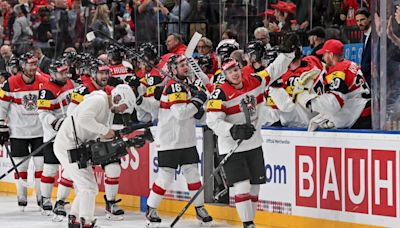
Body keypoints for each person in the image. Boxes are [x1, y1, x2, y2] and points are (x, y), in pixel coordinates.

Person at [143, 54, 212, 227]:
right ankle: (151, 208)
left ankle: (199, 208)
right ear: (173, 69)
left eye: (186, 64)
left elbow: (195, 114)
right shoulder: (174, 87)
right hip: (170, 140)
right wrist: (198, 100)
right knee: (165, 176)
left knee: (193, 174)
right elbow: (181, 114)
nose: (185, 67)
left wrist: (199, 104)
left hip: (187, 140)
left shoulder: (185, 86)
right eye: (181, 65)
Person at [54, 84, 136, 227]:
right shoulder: (99, 100)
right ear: (118, 98)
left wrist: (118, 139)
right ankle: (87, 221)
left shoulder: (108, 111)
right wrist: (104, 130)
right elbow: (83, 120)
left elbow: (100, 133)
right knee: (89, 187)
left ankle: (75, 218)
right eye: (124, 106)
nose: (123, 111)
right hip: (67, 145)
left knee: (86, 186)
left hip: (77, 146)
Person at [206, 58, 267, 228]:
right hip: (231, 147)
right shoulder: (219, 92)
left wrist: (287, 55)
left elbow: (273, 72)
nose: (234, 73)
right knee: (242, 186)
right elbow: (213, 121)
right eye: (230, 71)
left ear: (240, 69)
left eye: (236, 69)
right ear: (225, 75)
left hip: (253, 144)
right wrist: (232, 130)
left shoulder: (252, 82)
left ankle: (250, 222)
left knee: (255, 187)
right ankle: (247, 223)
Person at [67, 60, 127, 220]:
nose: (105, 76)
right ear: (93, 74)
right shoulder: (82, 90)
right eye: (101, 72)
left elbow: (107, 109)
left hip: (105, 138)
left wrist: (116, 109)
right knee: (83, 179)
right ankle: (70, 208)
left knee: (114, 169)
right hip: (85, 139)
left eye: (107, 72)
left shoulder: (111, 91)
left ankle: (111, 203)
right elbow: (72, 115)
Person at [0, 52, 49, 210]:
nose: (34, 67)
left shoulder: (44, 81)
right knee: (22, 167)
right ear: (22, 66)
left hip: (40, 131)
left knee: (41, 165)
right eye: (30, 64)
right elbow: (2, 107)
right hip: (18, 132)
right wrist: (2, 127)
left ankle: (41, 197)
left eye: (35, 64)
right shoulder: (10, 83)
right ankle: (22, 196)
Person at [294, 39, 371, 130]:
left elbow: (333, 104)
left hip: (359, 116)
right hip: (363, 111)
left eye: (324, 55)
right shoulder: (350, 64)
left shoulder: (338, 70)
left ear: (330, 54)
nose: (322, 58)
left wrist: (308, 101)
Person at [37, 60, 74, 218]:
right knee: (50, 169)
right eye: (61, 73)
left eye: (66, 72)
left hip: (70, 136)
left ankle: (60, 202)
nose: (65, 75)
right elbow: (43, 114)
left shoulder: (70, 84)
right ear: (52, 74)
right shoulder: (46, 90)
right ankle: (45, 199)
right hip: (53, 136)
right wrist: (56, 123)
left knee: (70, 170)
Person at [355, 8, 372, 86]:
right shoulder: (365, 36)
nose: (359, 23)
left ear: (369, 18)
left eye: (362, 20)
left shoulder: (374, 35)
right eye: (357, 21)